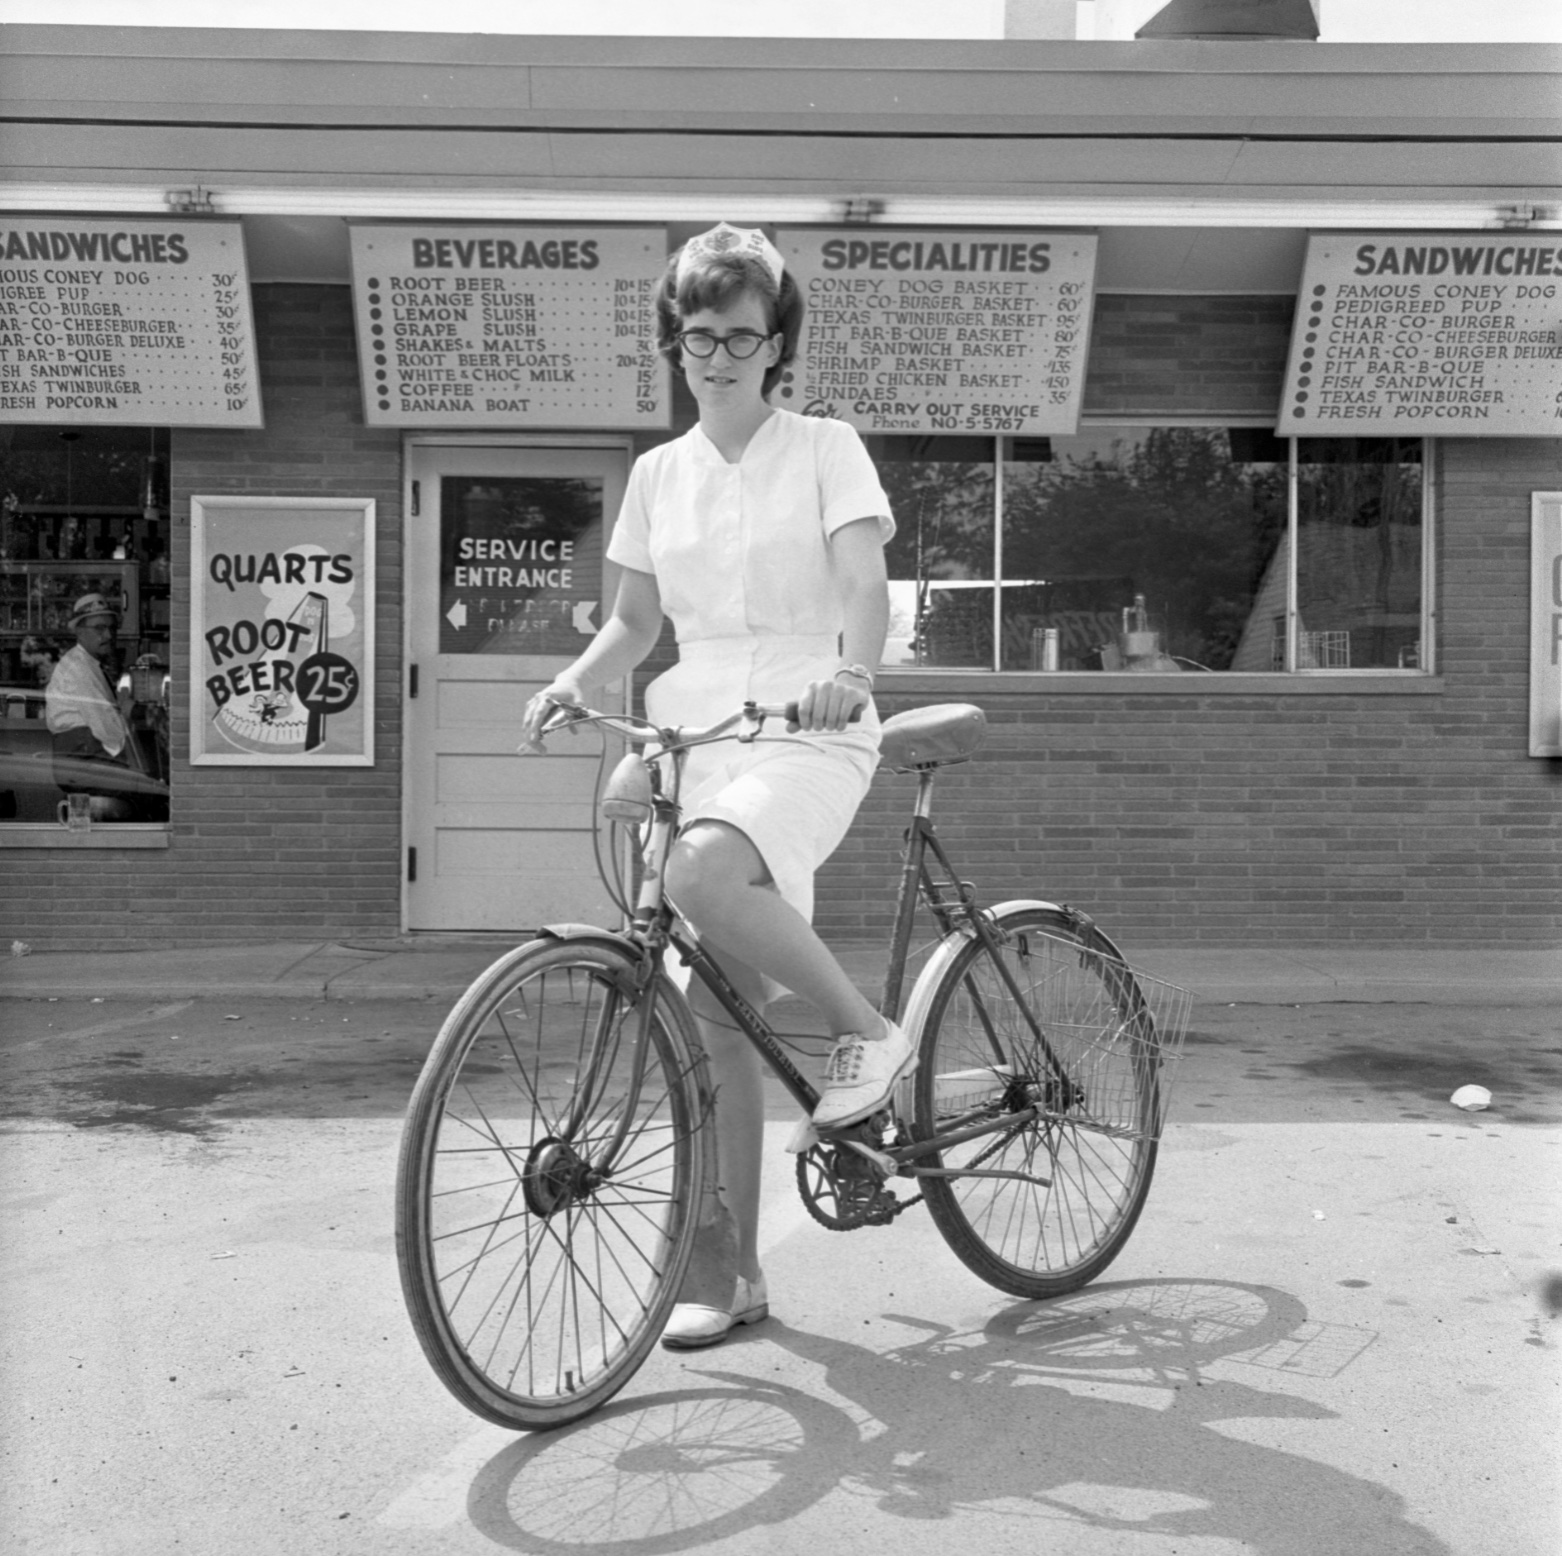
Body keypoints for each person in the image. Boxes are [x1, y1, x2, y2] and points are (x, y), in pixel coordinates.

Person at [520, 222, 916, 1349]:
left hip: (808, 724)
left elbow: (863, 580)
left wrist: (852, 672)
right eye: (699, 335)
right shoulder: (658, 474)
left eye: (742, 335)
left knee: (701, 871)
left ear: (775, 343)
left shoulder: (825, 447)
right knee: (706, 1018)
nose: (718, 355)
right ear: (676, 343)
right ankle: (730, 1271)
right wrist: (573, 680)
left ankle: (865, 1033)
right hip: (697, 731)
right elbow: (634, 621)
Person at [45, 592, 152, 819]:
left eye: (112, 628)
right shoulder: (79, 668)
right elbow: (107, 727)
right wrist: (134, 766)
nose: (108, 635)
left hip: (84, 762)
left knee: (145, 790)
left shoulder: (87, 663)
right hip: (82, 763)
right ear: (79, 631)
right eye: (99, 628)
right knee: (150, 792)